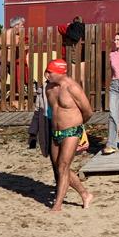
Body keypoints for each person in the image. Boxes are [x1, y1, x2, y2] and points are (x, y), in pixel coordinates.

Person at [43, 58, 94, 212]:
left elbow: (88, 111)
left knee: (63, 166)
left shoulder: (72, 87)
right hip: (56, 131)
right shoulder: (49, 88)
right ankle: (85, 194)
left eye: (49, 72)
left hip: (72, 130)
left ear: (59, 73)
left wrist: (78, 126)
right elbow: (53, 111)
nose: (46, 75)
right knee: (59, 167)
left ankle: (57, 205)